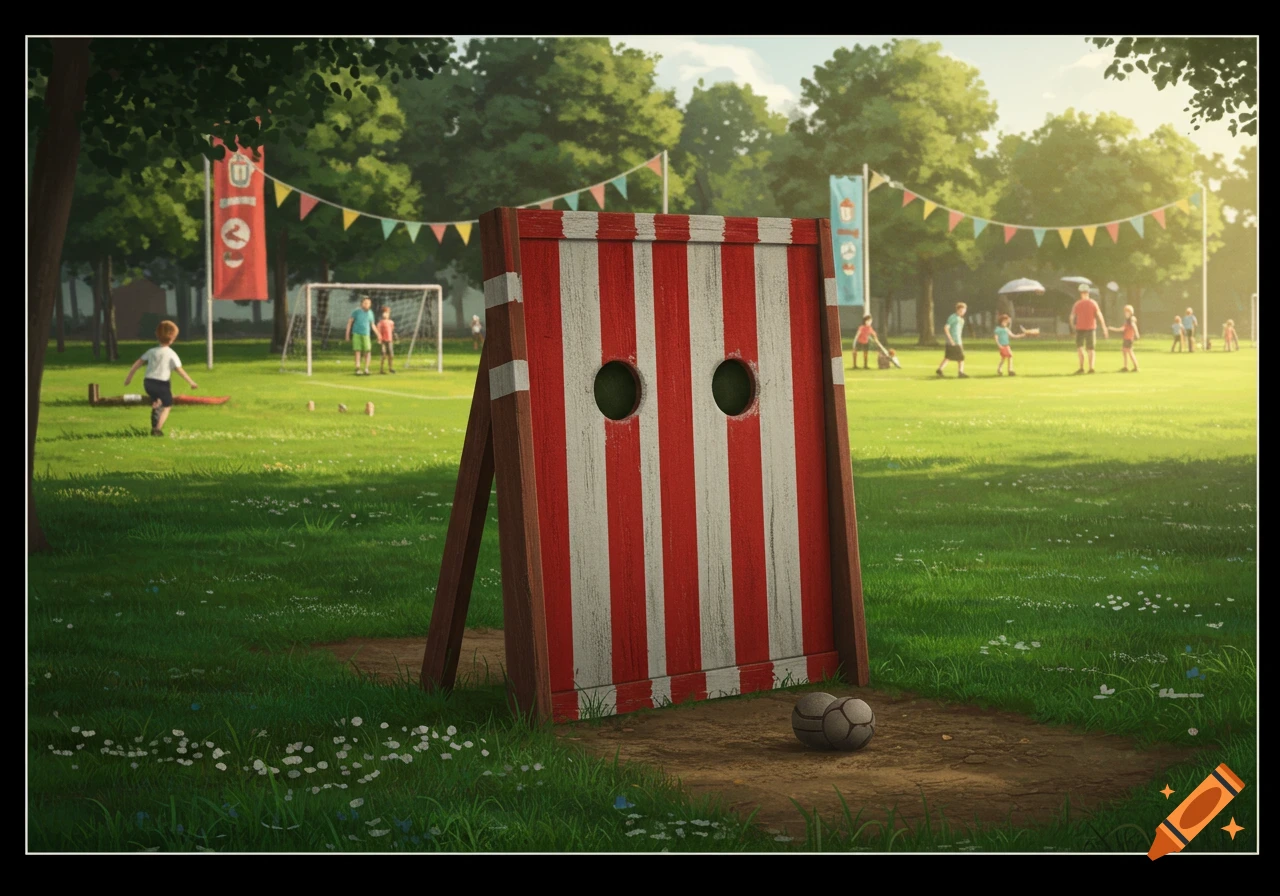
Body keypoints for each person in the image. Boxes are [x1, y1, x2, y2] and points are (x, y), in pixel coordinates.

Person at [123, 320, 198, 437]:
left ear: (157, 335)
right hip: (162, 384)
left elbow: (138, 363)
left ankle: (156, 403)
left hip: (148, 383)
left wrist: (129, 378)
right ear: (173, 339)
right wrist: (191, 382)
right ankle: (157, 429)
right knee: (168, 405)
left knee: (158, 399)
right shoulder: (171, 354)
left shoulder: (151, 352)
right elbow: (180, 370)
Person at [1070, 282, 1108, 374]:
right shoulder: (1091, 303)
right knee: (1086, 348)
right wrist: (1104, 328)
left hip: (1085, 328)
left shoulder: (1079, 304)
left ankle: (1085, 368)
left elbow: (1072, 316)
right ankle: (1088, 368)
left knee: (1084, 348)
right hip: (1086, 328)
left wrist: (1072, 327)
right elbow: (1099, 315)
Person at [936, 302, 969, 378]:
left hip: (958, 341)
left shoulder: (961, 320)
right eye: (961, 310)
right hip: (953, 341)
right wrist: (951, 339)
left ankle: (940, 369)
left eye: (964, 311)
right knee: (961, 357)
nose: (962, 312)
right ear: (957, 309)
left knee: (948, 357)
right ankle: (960, 372)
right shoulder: (953, 317)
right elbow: (946, 328)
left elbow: (958, 332)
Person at [346, 296, 377, 375]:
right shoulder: (356, 312)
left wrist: (378, 334)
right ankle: (358, 368)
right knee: (357, 351)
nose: (367, 304)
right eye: (365, 303)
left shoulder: (370, 313)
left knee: (368, 351)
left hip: (366, 334)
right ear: (362, 304)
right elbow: (350, 322)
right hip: (356, 333)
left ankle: (366, 368)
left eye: (369, 303)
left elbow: (372, 324)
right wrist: (347, 334)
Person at [1108, 304, 1141, 373]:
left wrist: (1137, 334)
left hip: (1129, 339)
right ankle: (1125, 367)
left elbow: (1133, 325)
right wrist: (1112, 329)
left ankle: (1136, 367)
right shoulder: (1127, 321)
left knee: (1130, 352)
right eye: (1125, 311)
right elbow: (1122, 329)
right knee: (1124, 352)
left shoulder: (1131, 319)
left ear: (1130, 312)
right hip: (1126, 338)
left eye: (1127, 311)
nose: (1125, 313)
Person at [376, 306, 396, 374]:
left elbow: (392, 330)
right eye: (384, 313)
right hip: (383, 341)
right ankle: (381, 369)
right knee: (383, 354)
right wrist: (379, 339)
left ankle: (390, 367)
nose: (385, 315)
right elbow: (378, 331)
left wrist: (393, 337)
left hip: (389, 340)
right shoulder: (380, 323)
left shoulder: (391, 322)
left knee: (391, 355)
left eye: (387, 313)